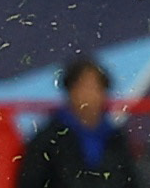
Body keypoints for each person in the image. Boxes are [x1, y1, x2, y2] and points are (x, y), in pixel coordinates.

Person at [17, 57, 139, 188]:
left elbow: (131, 181)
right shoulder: (48, 140)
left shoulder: (116, 139)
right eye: (83, 87)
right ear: (70, 91)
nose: (89, 95)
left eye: (96, 87)